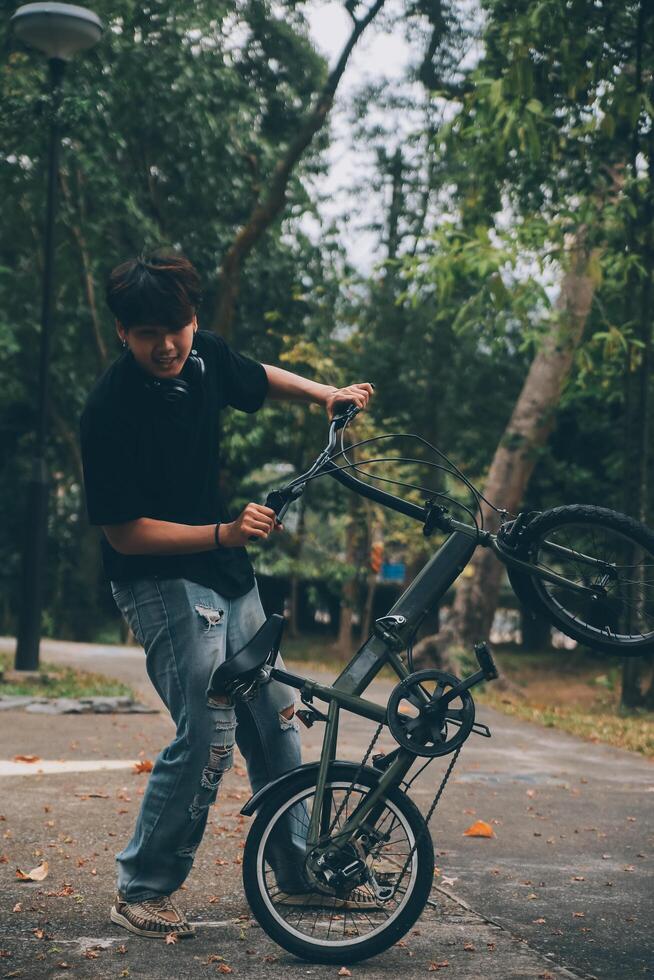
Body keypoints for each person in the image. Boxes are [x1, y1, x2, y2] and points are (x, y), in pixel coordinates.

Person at [79, 250, 373, 939]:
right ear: (123, 333)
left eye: (176, 327)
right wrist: (224, 530)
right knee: (209, 731)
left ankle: (298, 872)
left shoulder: (204, 356)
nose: (167, 345)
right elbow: (124, 536)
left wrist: (324, 393)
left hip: (225, 564)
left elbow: (256, 376)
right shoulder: (108, 410)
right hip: (158, 578)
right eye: (148, 332)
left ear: (193, 319)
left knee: (274, 718)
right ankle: (143, 887)